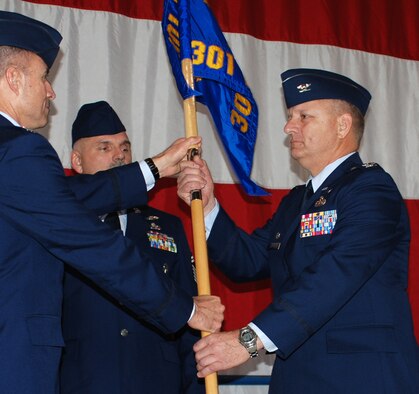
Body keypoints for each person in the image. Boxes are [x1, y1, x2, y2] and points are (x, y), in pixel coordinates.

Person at [0, 10, 223, 394]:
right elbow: (90, 241)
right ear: (14, 79)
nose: (50, 92)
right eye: (43, 79)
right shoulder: (20, 150)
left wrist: (154, 167)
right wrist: (185, 307)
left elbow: (69, 197)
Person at [177, 68, 419, 393]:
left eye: (303, 116)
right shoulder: (296, 202)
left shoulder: (371, 190)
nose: (288, 127)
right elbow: (248, 261)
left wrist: (249, 339)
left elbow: (338, 272)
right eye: (291, 116)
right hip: (299, 377)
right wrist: (207, 205)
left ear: (342, 125)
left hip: (361, 377)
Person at [60, 100, 204, 394]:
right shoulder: (58, 224)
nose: (119, 157)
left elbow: (191, 320)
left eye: (125, 148)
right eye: (104, 148)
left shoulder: (166, 227)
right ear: (77, 161)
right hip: (82, 380)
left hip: (156, 381)